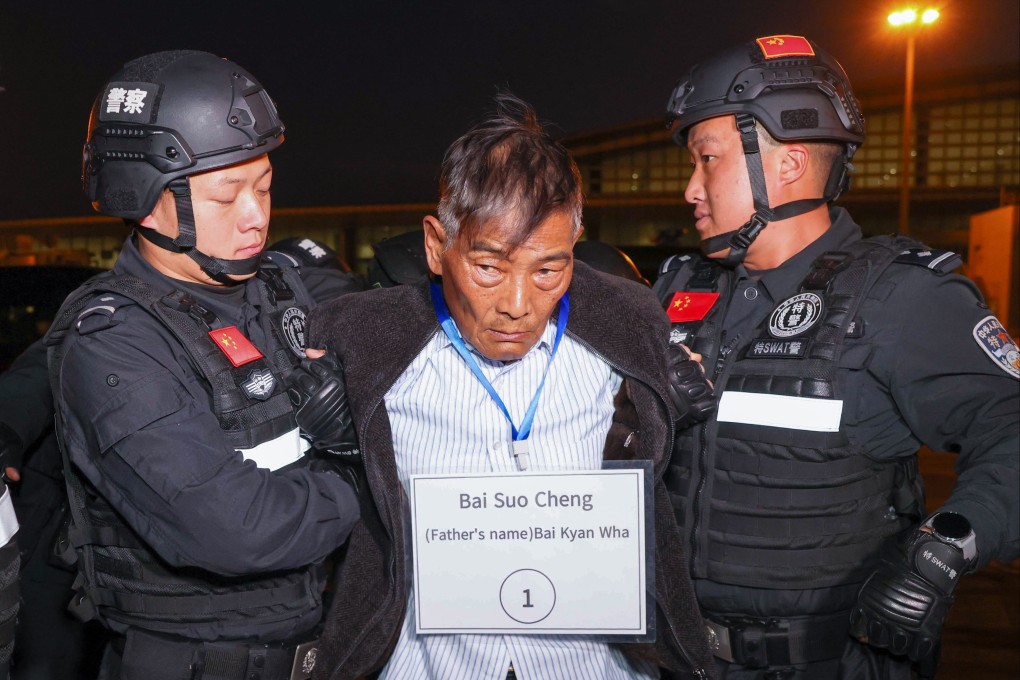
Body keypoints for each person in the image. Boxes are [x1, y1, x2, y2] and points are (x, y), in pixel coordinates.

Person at [303, 92, 717, 680]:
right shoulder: (360, 343)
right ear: (435, 245)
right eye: (489, 267)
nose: (518, 306)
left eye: (549, 269)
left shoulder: (629, 331)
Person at [654, 34, 1019, 679]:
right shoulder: (680, 289)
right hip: (674, 659)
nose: (690, 189)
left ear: (788, 165)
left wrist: (945, 548)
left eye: (706, 160)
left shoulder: (903, 296)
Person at [44, 50, 362, 680]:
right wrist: (366, 474)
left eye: (265, 186)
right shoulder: (111, 342)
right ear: (143, 200)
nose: (257, 216)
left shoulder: (277, 287)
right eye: (226, 196)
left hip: (316, 649)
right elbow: (235, 530)